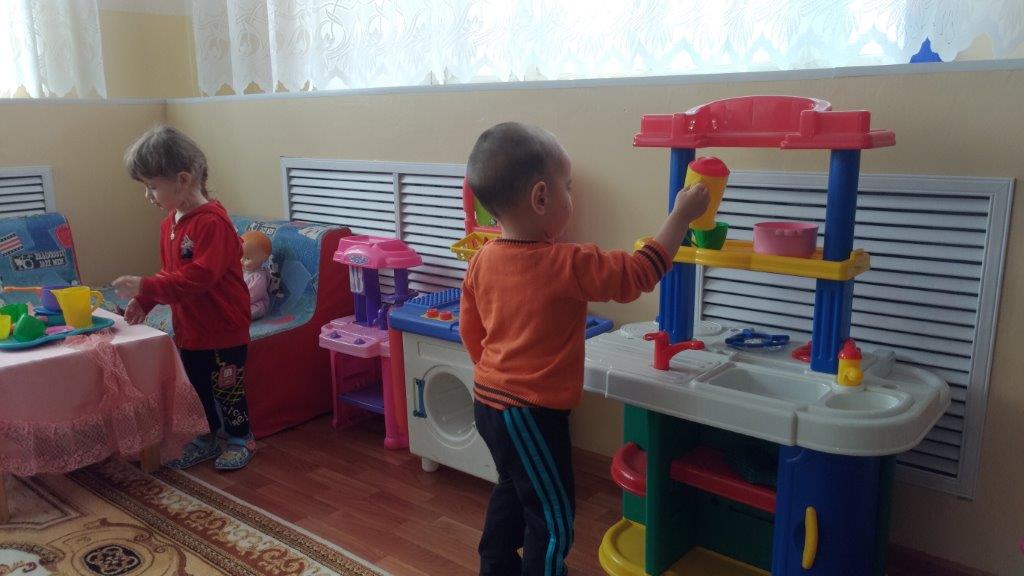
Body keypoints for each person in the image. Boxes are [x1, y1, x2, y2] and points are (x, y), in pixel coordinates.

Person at [460, 122, 710, 575]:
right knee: (552, 518)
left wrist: (496, 371)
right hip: (530, 412)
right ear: (541, 197)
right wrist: (681, 217)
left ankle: (495, 567)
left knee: (513, 490)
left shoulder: (482, 258)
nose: (571, 196)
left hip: (488, 402)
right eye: (568, 187)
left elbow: (471, 330)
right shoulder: (568, 262)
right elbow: (640, 273)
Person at [113, 125, 255, 471]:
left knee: (227, 389)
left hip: (223, 328)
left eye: (152, 186)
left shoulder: (213, 224)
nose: (148, 195)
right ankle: (207, 436)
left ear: (183, 180)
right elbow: (171, 272)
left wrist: (145, 285)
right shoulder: (170, 224)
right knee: (196, 388)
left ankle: (241, 438)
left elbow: (199, 277)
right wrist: (146, 300)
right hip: (190, 329)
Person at [240, 230, 272, 320]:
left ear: (263, 258)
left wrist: (236, 300)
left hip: (255, 303)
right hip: (240, 299)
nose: (242, 260)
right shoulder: (241, 271)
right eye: (240, 256)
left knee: (252, 310)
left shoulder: (259, 277)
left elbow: (253, 295)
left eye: (247, 258)